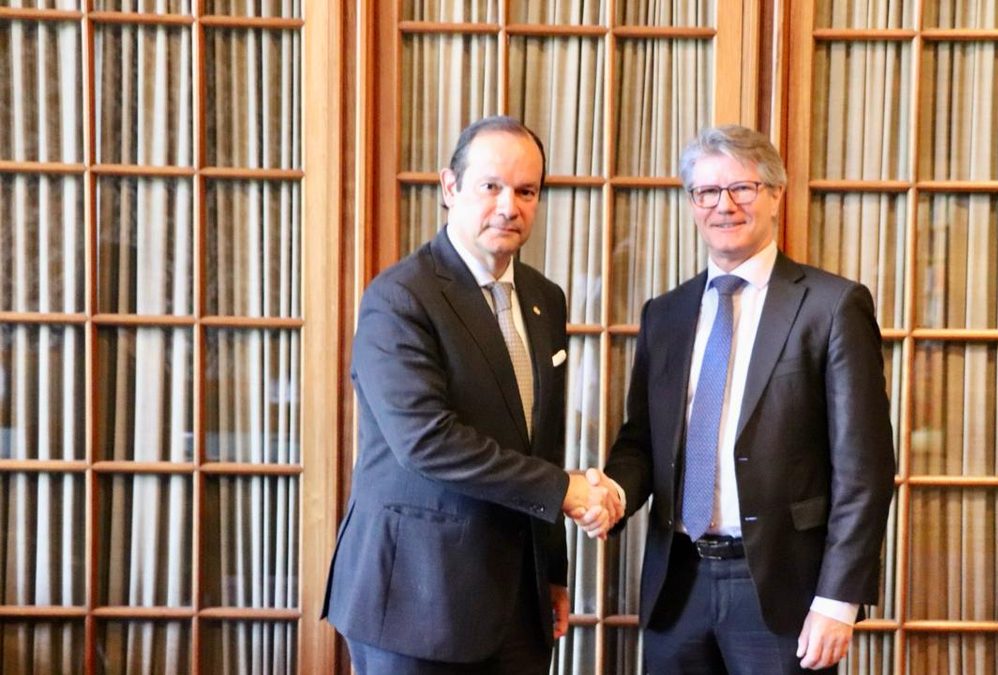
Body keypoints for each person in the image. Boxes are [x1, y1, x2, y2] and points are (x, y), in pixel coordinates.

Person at [322, 116, 622, 674]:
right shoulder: (401, 296)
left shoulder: (544, 299)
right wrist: (566, 490)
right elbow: (427, 441)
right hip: (416, 603)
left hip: (518, 605)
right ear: (450, 187)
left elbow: (540, 442)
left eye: (526, 191)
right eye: (491, 186)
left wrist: (551, 572)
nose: (509, 206)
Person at [598, 125, 895, 674]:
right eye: (707, 191)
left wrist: (838, 601)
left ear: (776, 194)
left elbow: (865, 468)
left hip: (782, 590)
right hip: (677, 582)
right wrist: (613, 492)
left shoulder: (831, 307)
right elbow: (641, 442)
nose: (724, 205)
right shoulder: (665, 314)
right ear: (692, 202)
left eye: (742, 188)